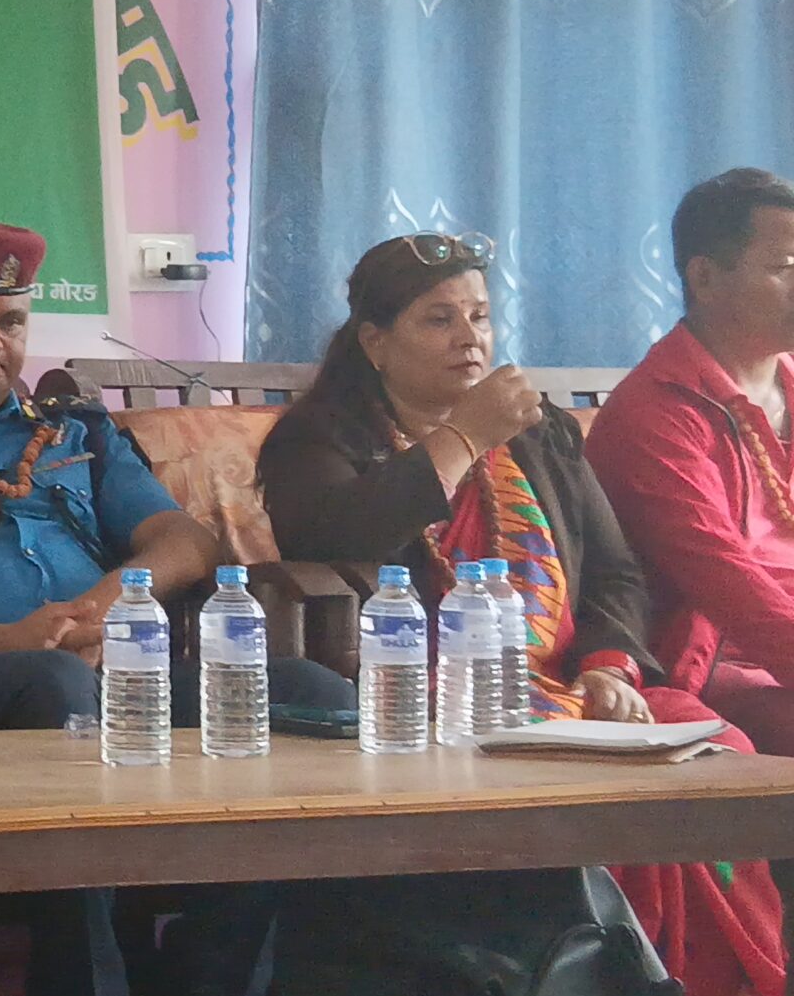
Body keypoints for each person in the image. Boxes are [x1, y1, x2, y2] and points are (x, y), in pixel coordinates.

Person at [0, 221, 352, 996]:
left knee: (312, 694)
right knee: (56, 685)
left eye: (10, 321)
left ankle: (209, 974)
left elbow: (185, 540)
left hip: (114, 671)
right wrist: (11, 640)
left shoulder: (75, 429)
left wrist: (103, 606)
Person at [258, 231, 783, 996]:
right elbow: (334, 535)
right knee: (598, 793)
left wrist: (610, 665)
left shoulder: (540, 434)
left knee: (718, 752)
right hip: (429, 702)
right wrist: (465, 435)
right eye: (439, 319)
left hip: (571, 688)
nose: (469, 337)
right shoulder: (318, 440)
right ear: (375, 342)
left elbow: (614, 572)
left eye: (479, 315)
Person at [589, 169, 794, 758]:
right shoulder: (654, 411)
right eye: (784, 267)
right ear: (704, 277)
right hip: (717, 664)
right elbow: (726, 583)